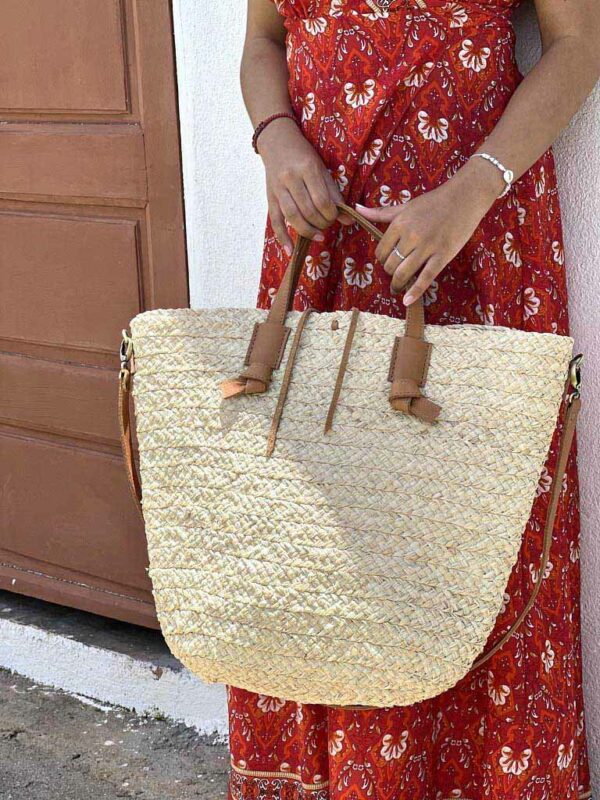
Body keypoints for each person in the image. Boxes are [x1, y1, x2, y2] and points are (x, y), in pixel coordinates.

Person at [228, 1, 599, 798]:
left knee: (476, 551)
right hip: (324, 250)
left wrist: (473, 193)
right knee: (326, 546)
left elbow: (578, 47)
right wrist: (275, 137)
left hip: (475, 251)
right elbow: (264, 40)